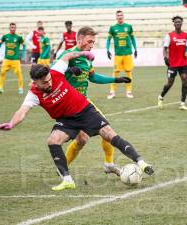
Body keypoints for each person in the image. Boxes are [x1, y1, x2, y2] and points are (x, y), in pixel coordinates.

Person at [0, 51, 154, 191]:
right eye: (44, 82)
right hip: (66, 120)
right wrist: (11, 123)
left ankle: (141, 163)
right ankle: (67, 180)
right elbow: (22, 112)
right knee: (53, 140)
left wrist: (84, 54)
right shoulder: (33, 95)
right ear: (35, 82)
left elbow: (68, 55)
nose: (49, 83)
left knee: (109, 134)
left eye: (49, 79)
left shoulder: (56, 70)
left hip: (85, 111)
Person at [56, 26, 131, 176]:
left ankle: (109, 164)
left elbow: (93, 77)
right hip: (68, 104)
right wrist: (69, 70)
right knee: (81, 140)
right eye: (89, 41)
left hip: (83, 102)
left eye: (93, 42)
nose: (91, 45)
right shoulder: (67, 55)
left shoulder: (86, 58)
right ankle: (62, 169)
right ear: (80, 39)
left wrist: (115, 79)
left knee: (105, 129)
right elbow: (53, 72)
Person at [158, 16, 187, 111]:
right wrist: (165, 57)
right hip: (173, 64)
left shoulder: (186, 35)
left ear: (182, 23)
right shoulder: (169, 36)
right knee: (170, 83)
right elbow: (165, 49)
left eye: (180, 22)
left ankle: (182, 103)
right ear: (174, 24)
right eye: (176, 22)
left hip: (183, 63)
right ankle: (161, 96)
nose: (178, 23)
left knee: (184, 80)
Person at [106, 10, 137, 99]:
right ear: (116, 17)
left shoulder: (129, 27)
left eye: (121, 15)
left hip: (128, 54)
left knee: (128, 72)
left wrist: (135, 49)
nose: (120, 17)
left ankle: (129, 92)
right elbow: (108, 40)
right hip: (118, 55)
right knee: (115, 73)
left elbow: (133, 38)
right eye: (118, 15)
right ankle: (112, 92)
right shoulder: (113, 28)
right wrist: (107, 50)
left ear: (123, 16)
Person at [0, 23, 26, 95]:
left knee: (19, 74)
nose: (13, 29)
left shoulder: (18, 37)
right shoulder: (5, 36)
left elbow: (24, 45)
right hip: (7, 59)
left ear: (15, 28)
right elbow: (0, 43)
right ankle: (0, 88)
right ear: (9, 28)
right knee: (2, 73)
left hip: (15, 60)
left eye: (14, 28)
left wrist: (23, 55)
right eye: (11, 27)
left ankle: (20, 88)